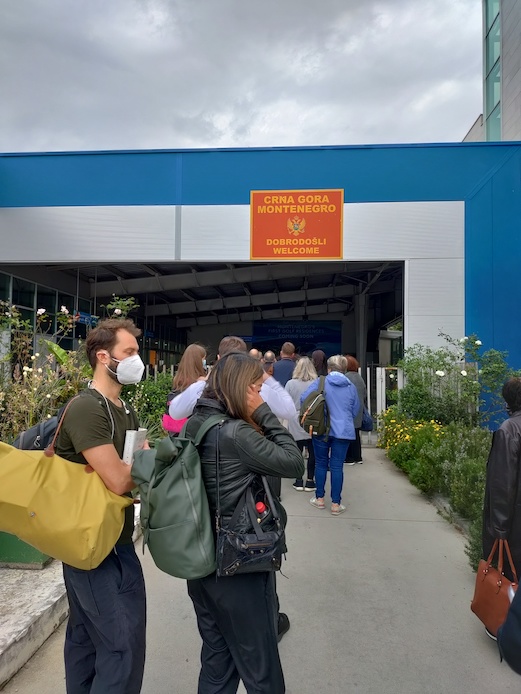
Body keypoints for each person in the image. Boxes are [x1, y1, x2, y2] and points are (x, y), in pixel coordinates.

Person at [185, 352, 304, 694]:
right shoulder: (236, 434)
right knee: (261, 671)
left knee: (217, 665)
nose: (261, 393)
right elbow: (294, 463)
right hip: (239, 567)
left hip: (203, 562)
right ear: (243, 389)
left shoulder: (199, 422)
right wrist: (264, 414)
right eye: (257, 387)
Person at [55, 318, 147, 694]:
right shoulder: (87, 408)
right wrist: (143, 464)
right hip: (93, 549)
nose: (137, 359)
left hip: (115, 540)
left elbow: (130, 475)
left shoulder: (123, 408)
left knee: (86, 640)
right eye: (130, 352)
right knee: (121, 647)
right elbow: (121, 480)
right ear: (104, 357)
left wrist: (136, 468)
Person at [482, 377, 521, 639]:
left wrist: (499, 528)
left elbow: (502, 483)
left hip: (514, 519)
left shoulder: (509, 430)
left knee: (508, 574)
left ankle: (504, 627)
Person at [301, 355, 360, 515]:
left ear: (328, 369)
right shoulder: (351, 387)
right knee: (337, 466)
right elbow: (355, 410)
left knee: (321, 463)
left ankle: (319, 499)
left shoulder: (320, 382)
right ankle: (335, 504)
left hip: (321, 429)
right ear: (344, 369)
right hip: (343, 431)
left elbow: (304, 399)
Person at [285, 356, 318, 491]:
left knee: (297, 451)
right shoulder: (316, 383)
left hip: (295, 418)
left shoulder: (290, 384)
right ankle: (310, 480)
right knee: (312, 452)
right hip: (312, 418)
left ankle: (298, 480)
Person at [163, 343, 207, 435]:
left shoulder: (178, 378)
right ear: (198, 361)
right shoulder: (200, 382)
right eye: (203, 358)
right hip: (191, 432)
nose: (205, 361)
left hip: (175, 432)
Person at [344, 355, 367, 465]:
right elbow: (364, 394)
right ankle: (358, 457)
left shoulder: (346, 377)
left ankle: (349, 457)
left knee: (348, 434)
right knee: (356, 433)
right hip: (359, 409)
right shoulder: (359, 378)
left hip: (349, 410)